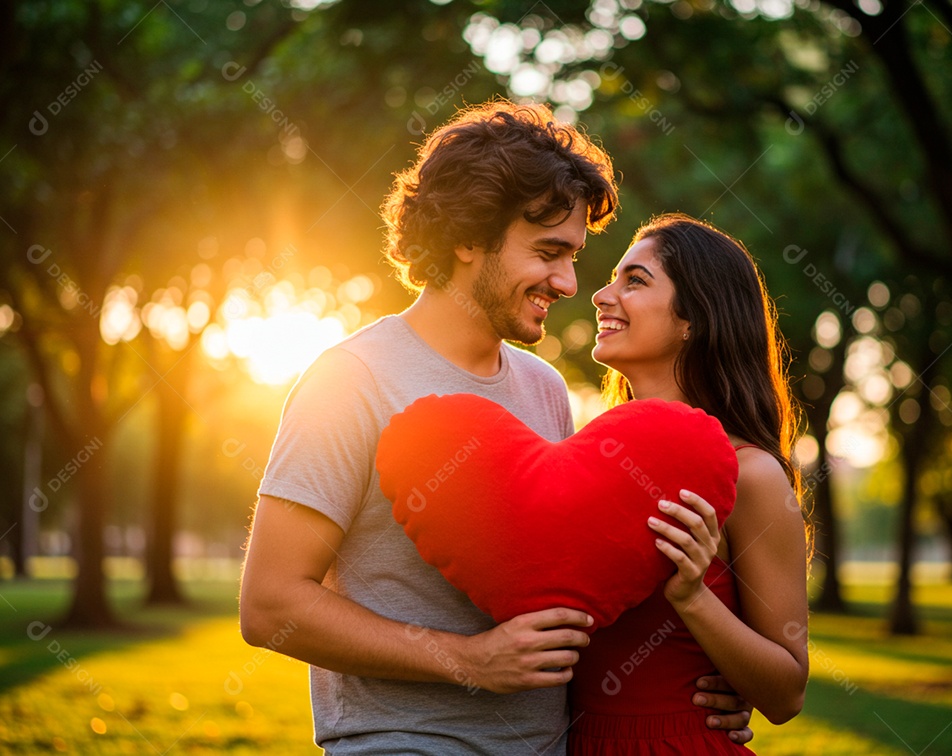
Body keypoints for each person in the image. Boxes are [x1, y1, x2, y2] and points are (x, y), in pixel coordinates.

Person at [239, 102, 751, 754]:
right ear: (468, 237)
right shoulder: (351, 380)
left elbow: (572, 581)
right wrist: (467, 660)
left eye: (572, 256)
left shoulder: (543, 389)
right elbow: (271, 606)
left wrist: (701, 685)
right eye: (548, 252)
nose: (568, 282)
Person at [567, 214, 811, 754]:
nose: (602, 295)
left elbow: (787, 691)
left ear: (693, 319)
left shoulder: (751, 474)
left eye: (636, 280)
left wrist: (693, 597)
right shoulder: (587, 459)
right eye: (613, 277)